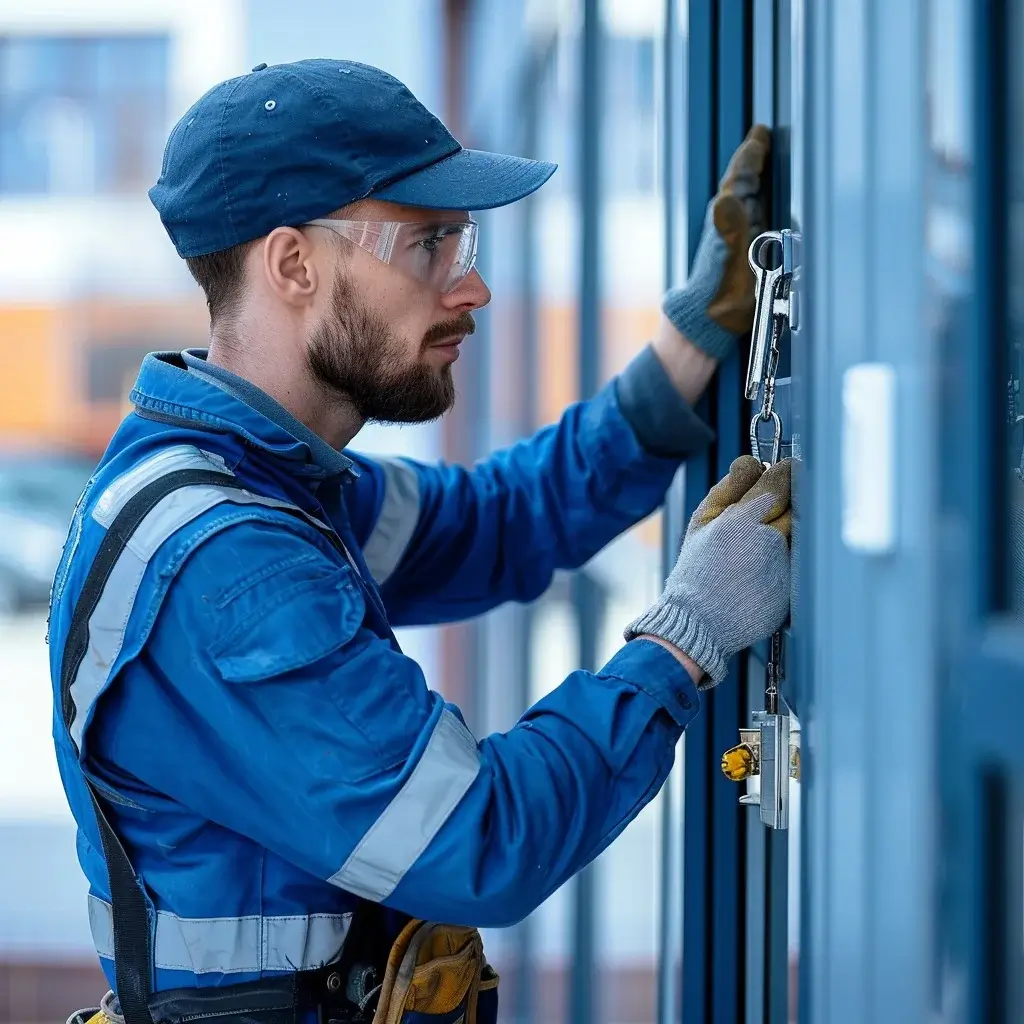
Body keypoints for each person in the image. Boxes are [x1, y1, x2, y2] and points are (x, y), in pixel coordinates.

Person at [49, 59, 790, 1024]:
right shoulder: (226, 566)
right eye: (428, 244)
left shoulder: (265, 483)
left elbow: (494, 523)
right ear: (293, 264)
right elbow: (478, 841)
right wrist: (686, 636)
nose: (471, 285)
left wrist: (690, 342)